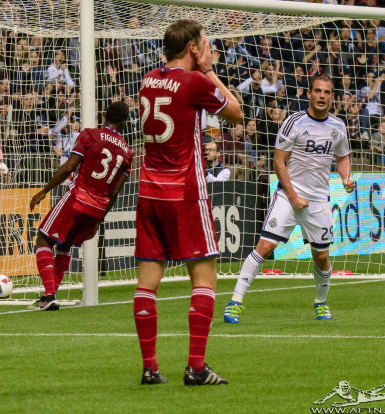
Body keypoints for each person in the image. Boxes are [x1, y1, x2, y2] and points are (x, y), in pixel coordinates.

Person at [135, 19, 243, 386]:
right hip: (184, 190)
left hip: (148, 190)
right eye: (205, 44)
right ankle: (196, 366)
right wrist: (210, 71)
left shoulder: (148, 80)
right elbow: (235, 111)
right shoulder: (195, 81)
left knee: (148, 280)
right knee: (205, 272)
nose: (209, 49)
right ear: (193, 49)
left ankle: (150, 367)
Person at [223, 74, 355, 325]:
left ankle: (320, 302)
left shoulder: (338, 126)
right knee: (265, 247)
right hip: (288, 197)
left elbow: (342, 157)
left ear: (332, 97)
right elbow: (278, 161)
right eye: (317, 91)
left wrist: (346, 178)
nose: (322, 96)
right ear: (309, 94)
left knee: (322, 257)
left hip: (318, 202)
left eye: (327, 92)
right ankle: (235, 302)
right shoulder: (293, 122)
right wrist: (293, 197)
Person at [29, 101, 133, 311]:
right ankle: (50, 296)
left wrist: (44, 190)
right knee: (65, 245)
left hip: (77, 198)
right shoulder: (128, 153)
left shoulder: (89, 135)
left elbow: (69, 167)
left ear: (105, 116)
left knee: (43, 238)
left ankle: (49, 295)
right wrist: (99, 220)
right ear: (124, 123)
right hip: (97, 208)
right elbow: (114, 192)